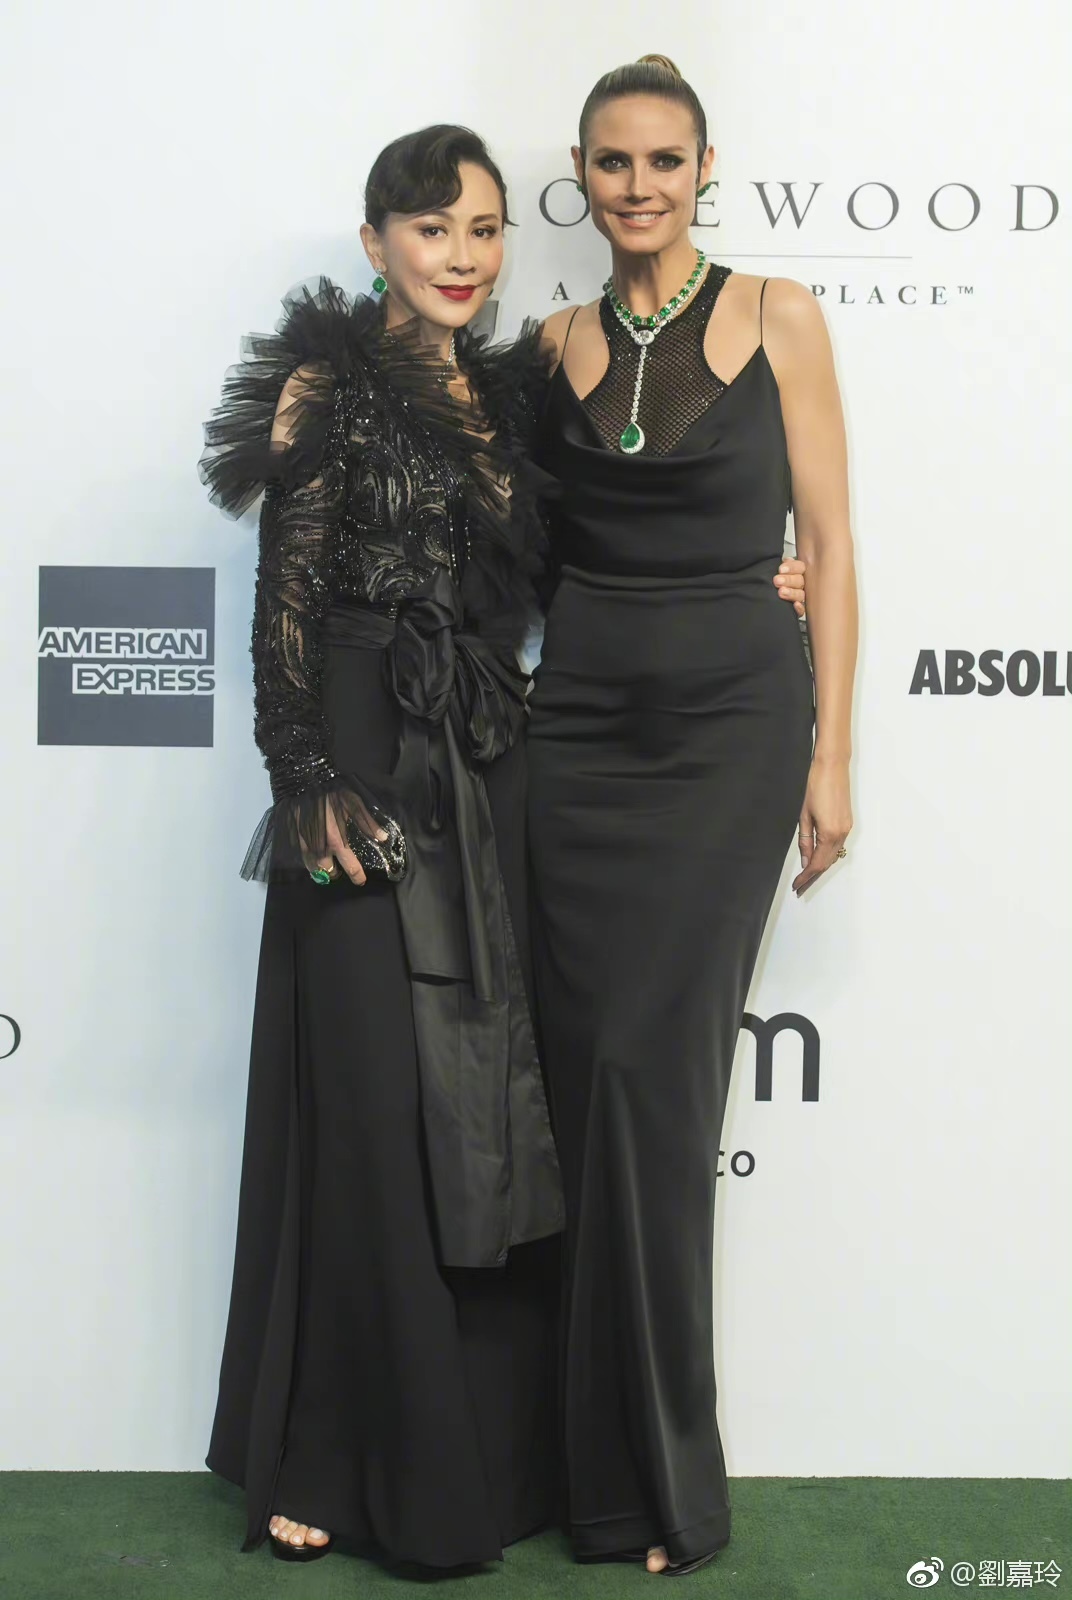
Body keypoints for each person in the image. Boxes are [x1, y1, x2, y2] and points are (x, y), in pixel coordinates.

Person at [198, 127, 569, 1571]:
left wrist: (758, 574)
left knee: (473, 1105)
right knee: (362, 1104)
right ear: (375, 244)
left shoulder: (511, 398)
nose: (461, 256)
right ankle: (331, 1455)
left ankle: (478, 1453)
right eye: (431, 229)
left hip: (480, 752)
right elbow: (283, 605)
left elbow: (569, 572)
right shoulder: (326, 385)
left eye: (483, 229)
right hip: (357, 754)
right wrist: (305, 782)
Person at [527, 57, 858, 1577]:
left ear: (706, 168)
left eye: (665, 160)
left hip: (731, 734)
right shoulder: (550, 345)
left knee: (655, 1094)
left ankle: (668, 1489)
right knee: (581, 1088)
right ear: (582, 176)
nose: (640, 185)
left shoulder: (782, 314)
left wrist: (832, 754)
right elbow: (515, 557)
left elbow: (831, 544)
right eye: (614, 162)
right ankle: (574, 1476)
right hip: (576, 739)